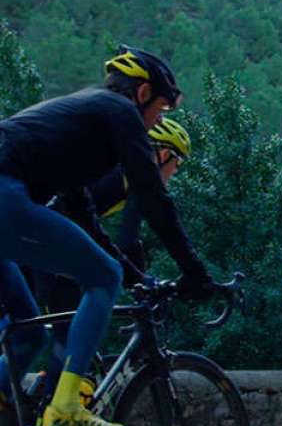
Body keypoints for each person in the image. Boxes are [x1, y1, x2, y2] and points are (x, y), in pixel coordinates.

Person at [0, 46, 213, 426]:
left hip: (10, 201)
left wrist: (136, 276)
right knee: (103, 279)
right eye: (161, 111)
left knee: (28, 332)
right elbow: (153, 198)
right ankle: (64, 406)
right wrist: (195, 272)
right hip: (5, 196)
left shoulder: (82, 124)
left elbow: (88, 222)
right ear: (143, 94)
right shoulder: (119, 112)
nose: (156, 122)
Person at [36, 117, 193, 399]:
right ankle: (51, 414)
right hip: (47, 245)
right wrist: (143, 282)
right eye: (177, 163)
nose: (174, 172)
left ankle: (42, 403)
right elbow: (127, 241)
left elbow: (130, 243)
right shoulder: (132, 177)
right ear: (161, 153)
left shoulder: (118, 174)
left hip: (39, 240)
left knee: (53, 333)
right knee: (70, 332)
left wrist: (140, 278)